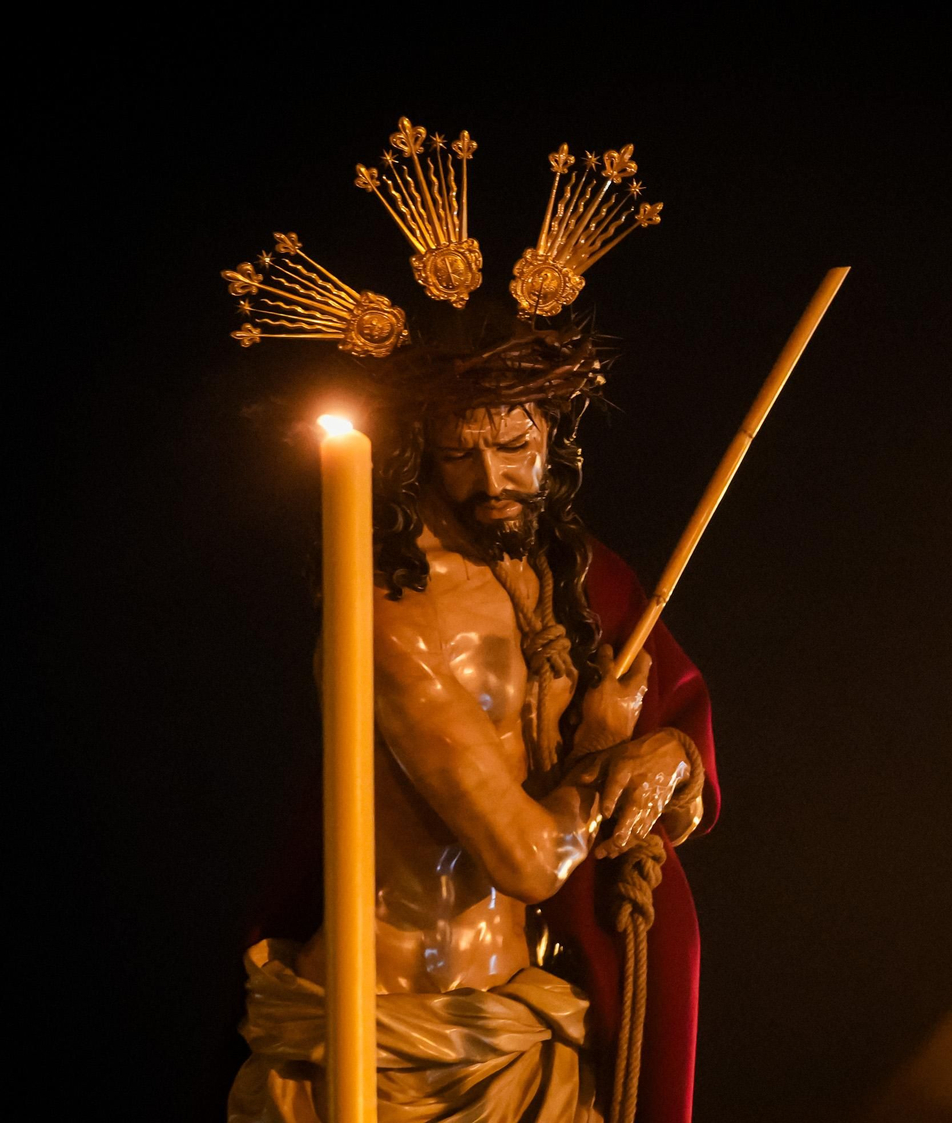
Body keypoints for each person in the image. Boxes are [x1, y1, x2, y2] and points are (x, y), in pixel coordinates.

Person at [224, 120, 714, 1123]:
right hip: (382, 1030)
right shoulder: (387, 612)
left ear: (553, 436)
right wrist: (598, 753)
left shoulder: (570, 581)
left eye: (514, 446)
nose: (493, 480)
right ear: (421, 455)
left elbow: (678, 713)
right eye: (460, 455)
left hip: (516, 1023)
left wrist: (667, 754)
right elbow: (530, 858)